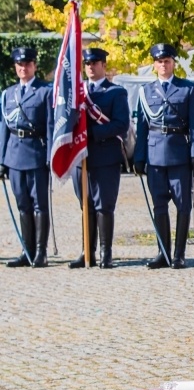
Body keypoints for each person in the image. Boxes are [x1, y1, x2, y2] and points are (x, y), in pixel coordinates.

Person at [133, 43, 194, 269]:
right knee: (159, 205)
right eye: (159, 61)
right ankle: (162, 253)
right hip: (154, 157)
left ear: (173, 63)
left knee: (183, 205)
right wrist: (139, 157)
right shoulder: (145, 92)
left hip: (179, 155)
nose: (163, 65)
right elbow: (142, 127)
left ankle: (178, 254)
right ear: (154, 65)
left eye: (167, 61)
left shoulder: (187, 89)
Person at [69, 48, 131, 269]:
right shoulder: (77, 93)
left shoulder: (116, 92)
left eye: (95, 63)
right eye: (87, 63)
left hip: (105, 156)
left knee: (104, 206)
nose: (90, 67)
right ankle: (88, 251)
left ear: (104, 65)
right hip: (81, 157)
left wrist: (93, 133)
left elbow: (121, 125)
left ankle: (106, 253)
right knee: (85, 206)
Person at [0, 47, 53, 268]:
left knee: (39, 205)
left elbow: (50, 126)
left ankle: (41, 252)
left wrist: (51, 156)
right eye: (20, 65)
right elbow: (3, 127)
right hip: (14, 155)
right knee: (23, 204)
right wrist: (2, 160)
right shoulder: (8, 93)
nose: (24, 68)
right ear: (15, 67)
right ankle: (27, 250)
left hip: (36, 153)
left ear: (34, 66)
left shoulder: (45, 91)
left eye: (28, 64)